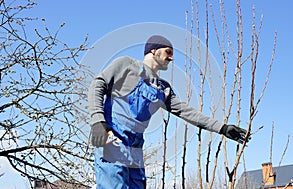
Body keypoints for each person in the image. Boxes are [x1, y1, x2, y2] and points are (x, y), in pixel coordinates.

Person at [88, 35, 248, 189]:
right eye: (168, 52)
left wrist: (222, 128)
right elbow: (97, 84)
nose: (171, 58)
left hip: (135, 147)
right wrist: (98, 121)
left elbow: (187, 112)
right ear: (153, 50)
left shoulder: (163, 88)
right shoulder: (126, 65)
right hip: (113, 137)